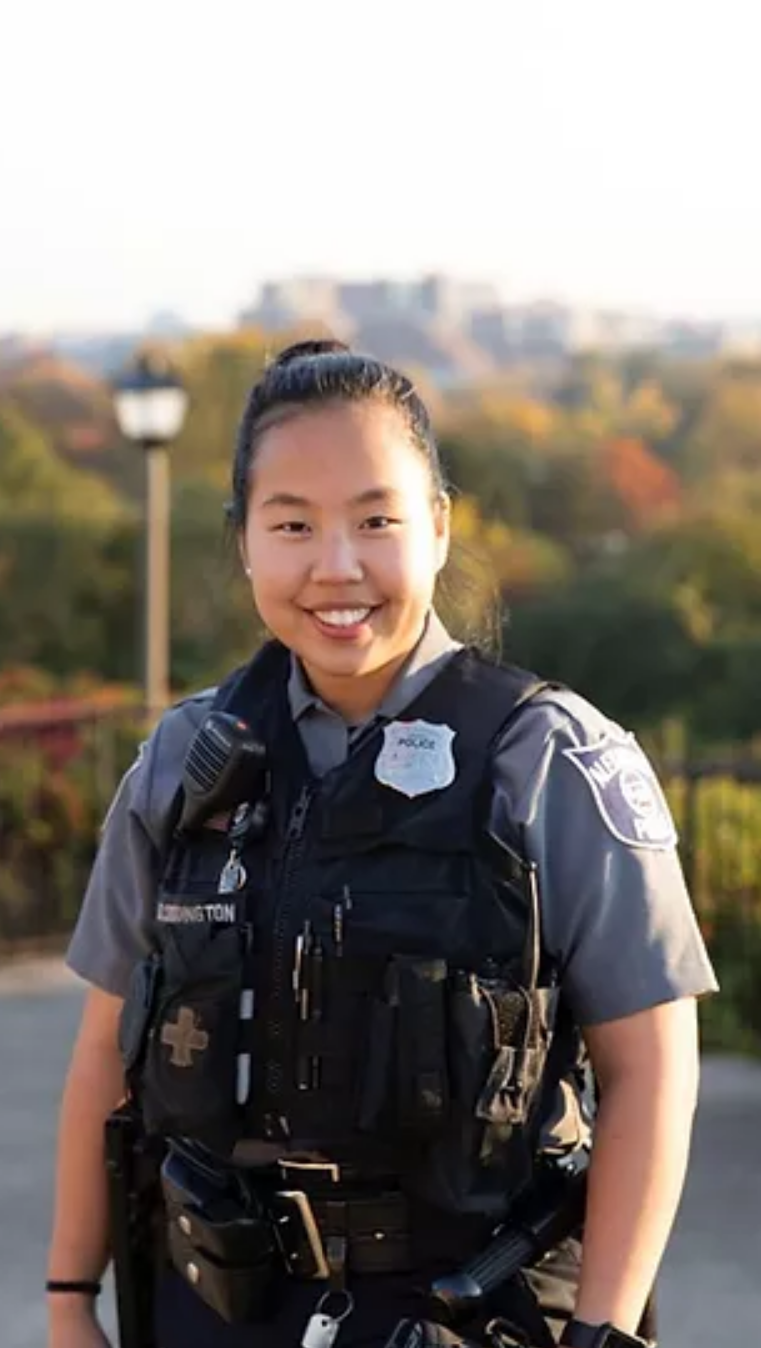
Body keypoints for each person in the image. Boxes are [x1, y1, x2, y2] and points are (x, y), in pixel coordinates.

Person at [46, 341, 718, 1348]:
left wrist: (603, 1331)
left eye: (375, 520)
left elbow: (651, 1065)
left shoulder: (547, 760)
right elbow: (108, 1050)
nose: (336, 566)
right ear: (243, 542)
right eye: (291, 525)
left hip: (463, 1305)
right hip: (213, 1300)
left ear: (438, 526)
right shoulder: (186, 760)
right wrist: (68, 1298)